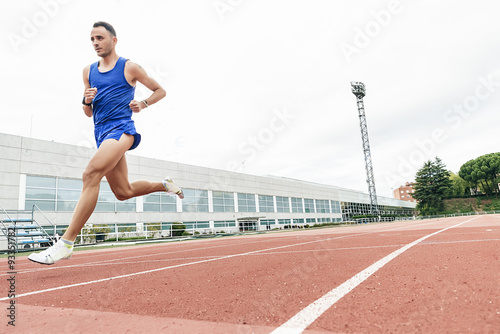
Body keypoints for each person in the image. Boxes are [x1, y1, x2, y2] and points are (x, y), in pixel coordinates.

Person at [29, 21, 184, 265]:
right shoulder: (88, 71)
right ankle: (163, 185)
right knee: (124, 192)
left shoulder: (129, 67)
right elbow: (88, 113)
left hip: (122, 130)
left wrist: (143, 104)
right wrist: (86, 100)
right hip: (101, 133)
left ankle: (65, 243)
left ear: (114, 40)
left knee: (90, 175)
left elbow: (159, 90)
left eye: (100, 38)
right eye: (92, 39)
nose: (95, 43)